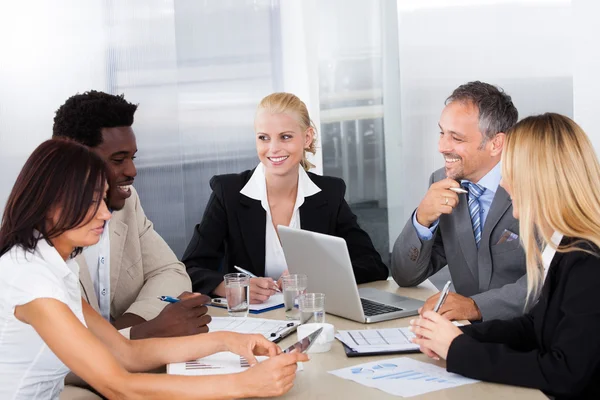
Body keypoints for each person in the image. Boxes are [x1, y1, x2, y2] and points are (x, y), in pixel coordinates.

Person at [0, 139, 307, 400]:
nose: (106, 213)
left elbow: (125, 353)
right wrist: (243, 385)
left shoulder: (53, 266)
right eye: (94, 201)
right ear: (52, 204)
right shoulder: (32, 280)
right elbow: (119, 386)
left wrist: (227, 340)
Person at [410, 113, 600, 399]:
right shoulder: (567, 246)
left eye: (509, 173)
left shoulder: (588, 262)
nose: (503, 185)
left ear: (539, 179)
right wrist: (458, 337)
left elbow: (564, 373)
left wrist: (459, 350)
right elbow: (534, 326)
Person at [183, 92, 389, 303]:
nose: (273, 149)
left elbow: (372, 265)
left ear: (307, 138)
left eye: (286, 137)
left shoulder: (328, 193)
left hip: (310, 317)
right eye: (264, 138)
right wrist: (231, 287)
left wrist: (315, 276)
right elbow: (190, 269)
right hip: (249, 323)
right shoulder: (229, 193)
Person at [52, 90, 210, 340]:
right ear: (76, 159)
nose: (132, 170)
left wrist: (128, 328)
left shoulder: (126, 202)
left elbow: (171, 272)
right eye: (118, 160)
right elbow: (51, 356)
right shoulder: (38, 236)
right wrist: (138, 334)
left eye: (132, 157)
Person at [391, 81, 523, 321]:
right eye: (442, 133)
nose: (442, 147)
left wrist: (476, 306)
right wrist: (422, 219)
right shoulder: (442, 180)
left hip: (528, 336)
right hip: (464, 336)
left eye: (457, 138)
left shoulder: (534, 185)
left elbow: (549, 278)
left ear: (496, 143)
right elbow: (405, 276)